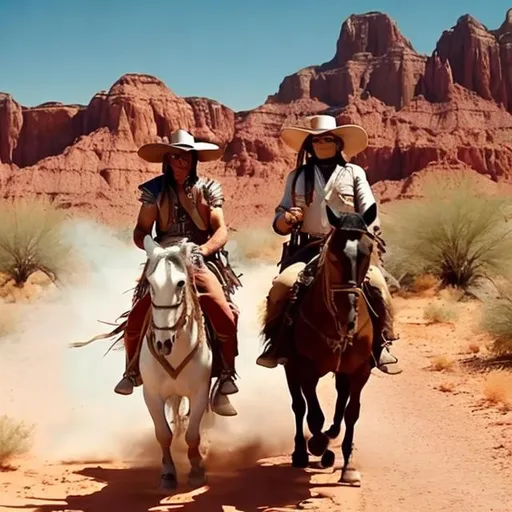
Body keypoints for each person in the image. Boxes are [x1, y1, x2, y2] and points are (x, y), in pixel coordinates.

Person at [256, 114, 402, 375]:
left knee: (378, 284)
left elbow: (369, 208)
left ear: (338, 143)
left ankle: (381, 343)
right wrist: (286, 219)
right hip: (307, 248)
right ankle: (276, 344)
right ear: (309, 145)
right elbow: (280, 212)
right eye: (317, 140)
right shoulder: (297, 176)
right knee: (282, 286)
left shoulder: (354, 173)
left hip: (348, 247)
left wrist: (364, 231)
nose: (322, 143)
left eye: (328, 139)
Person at [114, 128, 241, 414]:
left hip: (198, 256)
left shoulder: (208, 188)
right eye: (175, 156)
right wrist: (149, 247)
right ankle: (132, 370)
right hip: (163, 256)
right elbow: (140, 230)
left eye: (185, 156)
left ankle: (225, 376)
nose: (180, 161)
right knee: (138, 312)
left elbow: (220, 228)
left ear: (194, 158)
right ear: (167, 159)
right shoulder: (154, 191)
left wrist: (205, 250)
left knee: (224, 310)